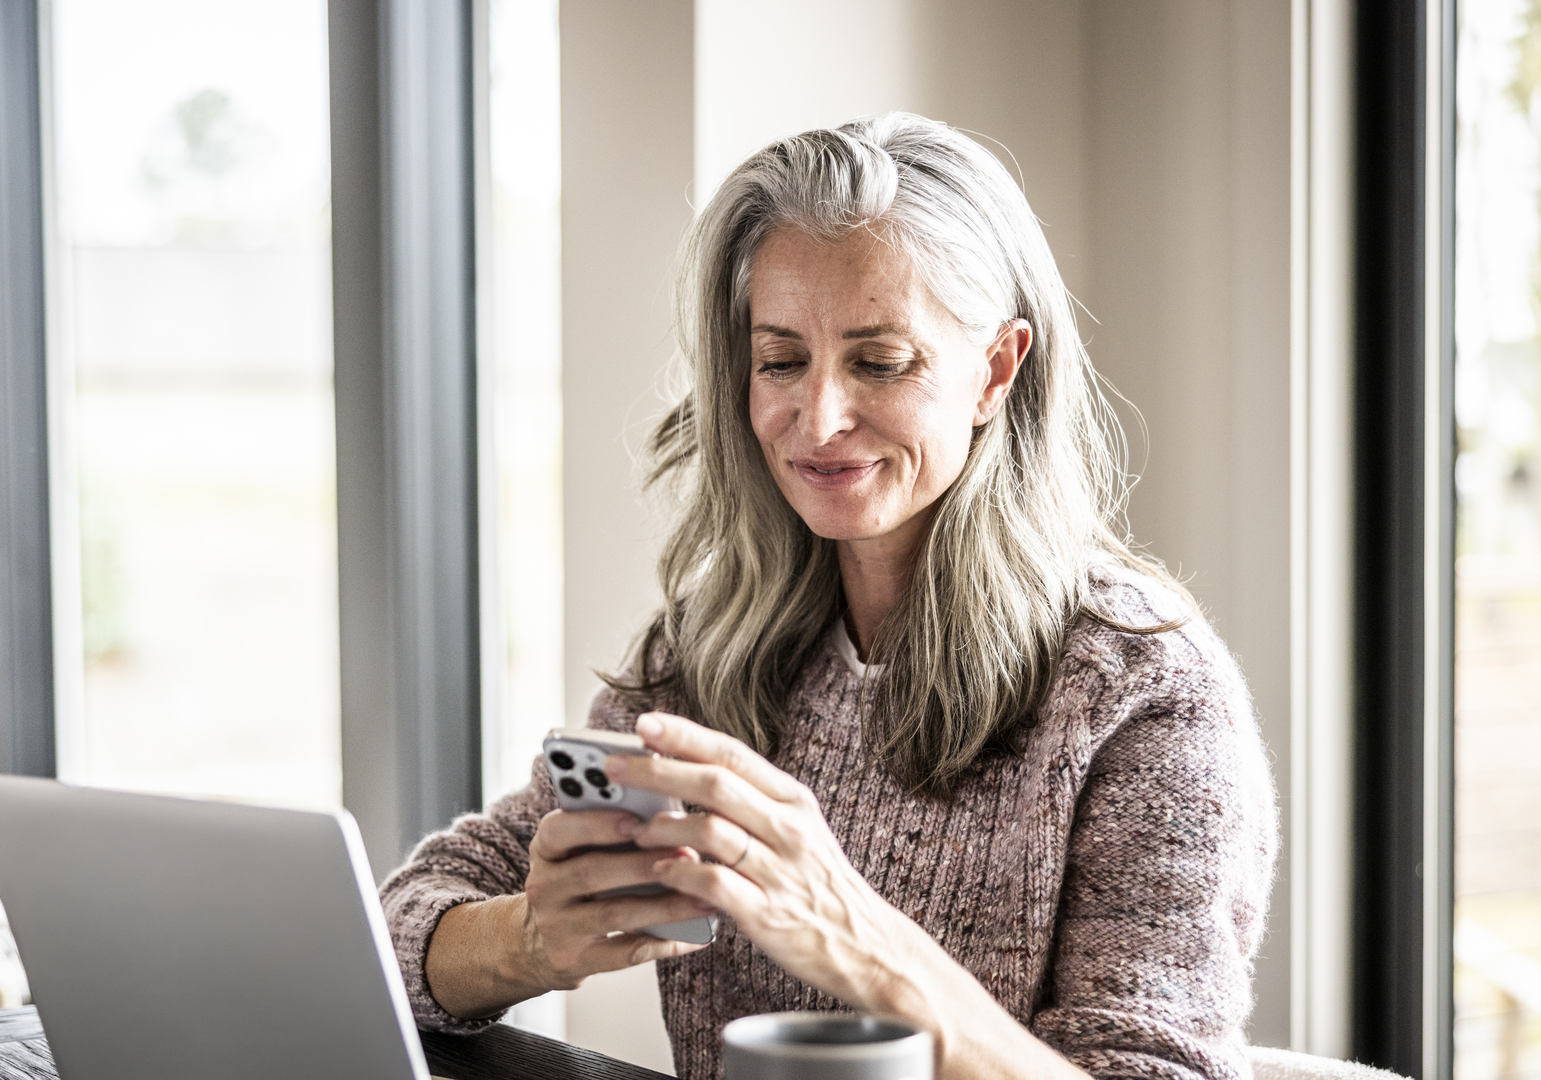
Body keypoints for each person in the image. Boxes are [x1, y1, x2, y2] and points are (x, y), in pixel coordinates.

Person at [380, 113, 1276, 1080]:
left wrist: (849, 933)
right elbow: (396, 924)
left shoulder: (1143, 693)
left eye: (880, 362)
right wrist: (530, 942)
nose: (819, 417)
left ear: (995, 371)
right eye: (780, 361)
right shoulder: (705, 657)